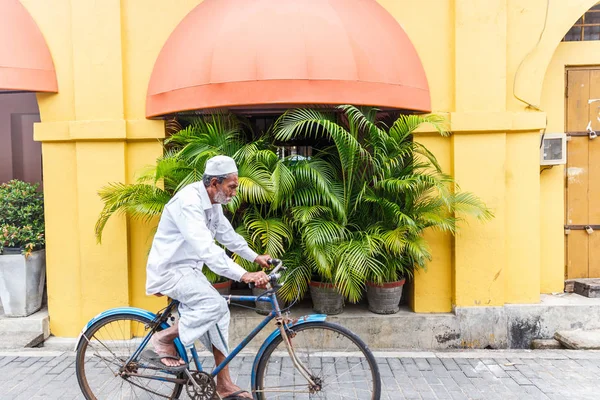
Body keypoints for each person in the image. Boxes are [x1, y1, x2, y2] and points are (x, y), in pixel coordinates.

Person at [145, 155, 270, 400]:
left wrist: (255, 257)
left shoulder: (212, 203)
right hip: (170, 270)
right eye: (231, 187)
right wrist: (244, 275)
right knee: (213, 304)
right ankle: (163, 338)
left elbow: (227, 235)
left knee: (220, 312)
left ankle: (223, 384)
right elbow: (206, 248)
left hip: (188, 271)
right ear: (214, 182)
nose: (235, 192)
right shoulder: (188, 202)